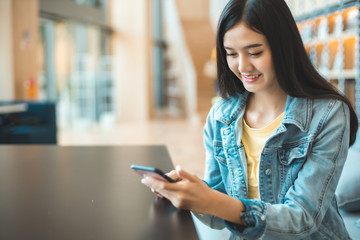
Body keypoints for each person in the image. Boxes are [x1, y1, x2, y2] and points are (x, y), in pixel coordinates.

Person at [141, 0, 359, 239]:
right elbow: (217, 214)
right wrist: (190, 194)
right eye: (231, 54)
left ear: (283, 47)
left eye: (255, 52)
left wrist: (212, 200)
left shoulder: (328, 114)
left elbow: (302, 218)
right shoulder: (221, 117)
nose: (242, 66)